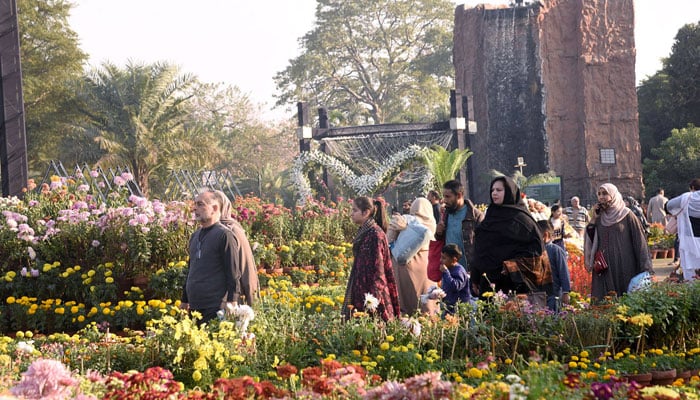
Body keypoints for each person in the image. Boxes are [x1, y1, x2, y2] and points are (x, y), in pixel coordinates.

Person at [472, 176, 551, 297]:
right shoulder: (490, 217)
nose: (494, 193)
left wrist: (510, 266)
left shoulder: (522, 220)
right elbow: (480, 250)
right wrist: (475, 277)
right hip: (488, 284)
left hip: (515, 287)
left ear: (509, 192)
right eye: (492, 190)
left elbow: (536, 253)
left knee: (513, 314)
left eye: (499, 190)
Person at [181, 189, 243, 323]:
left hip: (215, 306)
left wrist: (232, 301)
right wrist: (184, 300)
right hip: (195, 305)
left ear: (214, 208)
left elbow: (233, 272)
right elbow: (191, 269)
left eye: (200, 204)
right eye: (195, 204)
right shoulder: (195, 236)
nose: (195, 208)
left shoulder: (224, 235)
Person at [584, 183, 653, 301]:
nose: (601, 197)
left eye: (605, 194)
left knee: (626, 300)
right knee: (603, 302)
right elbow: (590, 237)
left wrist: (645, 267)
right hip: (604, 267)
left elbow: (640, 242)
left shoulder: (627, 215)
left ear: (614, 195)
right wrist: (594, 219)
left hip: (625, 265)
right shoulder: (599, 217)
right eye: (599, 194)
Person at [342, 197, 400, 321]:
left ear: (366, 212)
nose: (351, 214)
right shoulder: (365, 232)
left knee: (375, 326)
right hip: (362, 287)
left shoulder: (375, 234)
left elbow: (378, 270)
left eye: (354, 210)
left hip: (371, 293)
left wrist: (374, 298)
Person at [387, 197, 437, 315]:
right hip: (426, 264)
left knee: (407, 300)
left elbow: (388, 240)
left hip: (405, 265)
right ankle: (430, 325)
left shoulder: (404, 220)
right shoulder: (430, 223)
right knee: (427, 300)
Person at [434, 180, 484, 276]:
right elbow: (442, 240)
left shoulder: (475, 216)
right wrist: (438, 232)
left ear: (459, 195)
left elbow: (483, 246)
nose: (444, 200)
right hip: (450, 272)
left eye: (448, 196)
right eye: (444, 196)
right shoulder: (445, 215)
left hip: (469, 272)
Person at [219, 191, 259, 306]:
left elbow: (246, 266)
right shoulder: (203, 233)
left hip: (229, 301)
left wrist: (253, 302)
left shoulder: (232, 230)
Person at [665, 178, 700, 282]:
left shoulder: (686, 198)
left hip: (689, 240)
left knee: (691, 269)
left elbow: (668, 206)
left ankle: (692, 293)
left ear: (692, 188)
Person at [537, 220, 571, 312]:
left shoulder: (555, 250)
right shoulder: (536, 250)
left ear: (545, 235)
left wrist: (566, 291)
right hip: (539, 292)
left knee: (554, 317)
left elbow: (563, 271)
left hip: (554, 292)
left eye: (537, 234)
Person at [439, 243, 471, 315]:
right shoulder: (449, 268)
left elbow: (455, 286)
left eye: (444, 258)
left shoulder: (459, 271)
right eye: (441, 257)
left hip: (460, 308)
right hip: (449, 306)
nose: (440, 260)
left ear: (454, 260)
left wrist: (446, 272)